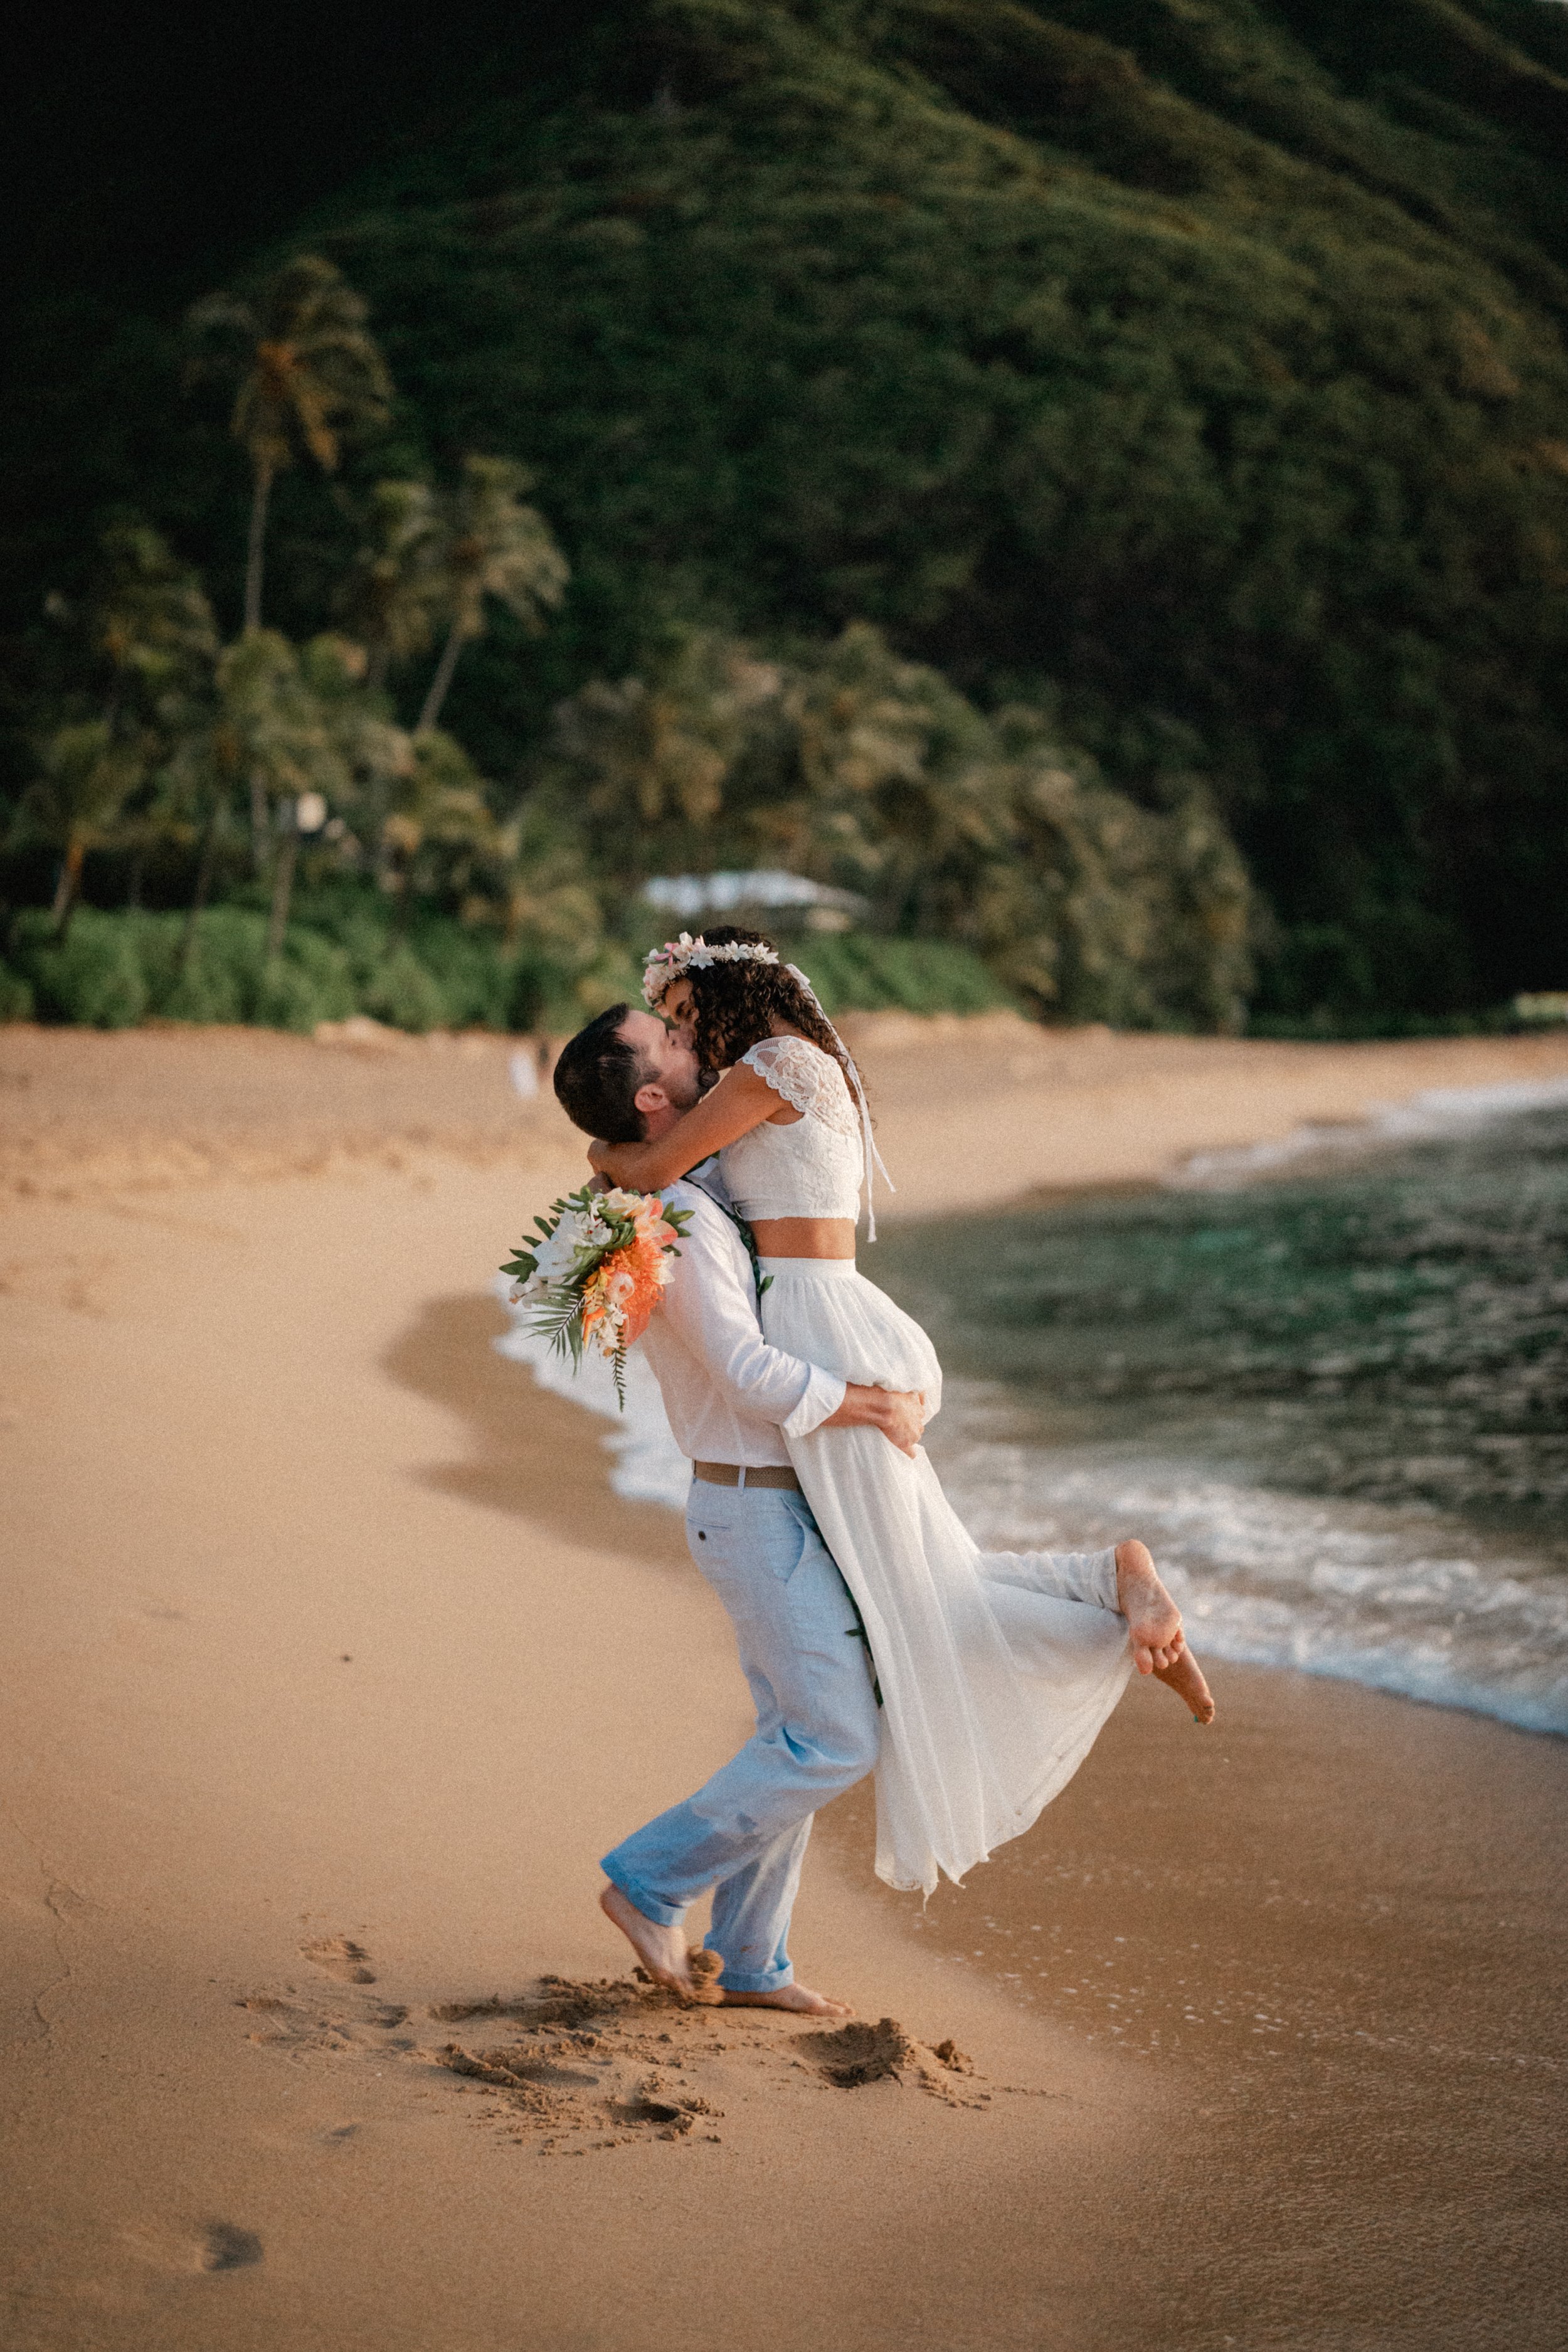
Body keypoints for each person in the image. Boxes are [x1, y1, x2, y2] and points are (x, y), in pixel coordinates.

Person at [584, 927, 1215, 1907]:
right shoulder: (780, 1065)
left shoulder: (769, 1065)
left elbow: (654, 1165)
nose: (680, 1037)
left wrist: (599, 1148)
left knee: (918, 1589)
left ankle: (1106, 1578)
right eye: (663, 1029)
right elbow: (676, 1164)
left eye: (679, 1016)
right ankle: (753, 1954)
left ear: (722, 996)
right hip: (829, 1321)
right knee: (914, 1579)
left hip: (820, 1332)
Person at [553, 997, 922, 2013]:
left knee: (793, 1734)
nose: (696, 1045)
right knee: (835, 1737)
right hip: (754, 1511)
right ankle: (649, 1880)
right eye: (672, 1042)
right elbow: (750, 1371)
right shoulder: (680, 1218)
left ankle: (753, 1959)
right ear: (654, 1094)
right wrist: (867, 1403)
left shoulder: (688, 1187)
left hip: (762, 1506)